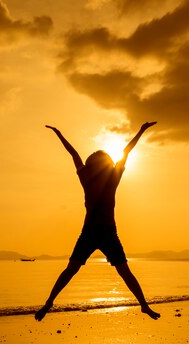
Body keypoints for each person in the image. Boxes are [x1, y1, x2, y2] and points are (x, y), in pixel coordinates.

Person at [35, 122, 161, 321]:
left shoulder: (93, 176)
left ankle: (144, 306)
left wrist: (142, 131)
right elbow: (123, 151)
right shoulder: (110, 176)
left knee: (113, 271)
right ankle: (48, 303)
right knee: (79, 270)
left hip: (100, 232)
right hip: (98, 232)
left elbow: (75, 154)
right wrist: (141, 130)